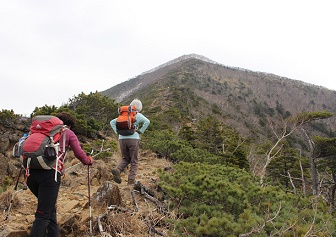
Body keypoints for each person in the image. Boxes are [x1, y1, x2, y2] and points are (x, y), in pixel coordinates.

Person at [26, 112, 93, 237]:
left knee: (49, 207)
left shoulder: (38, 132)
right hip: (49, 176)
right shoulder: (68, 132)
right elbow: (79, 153)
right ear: (69, 125)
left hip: (30, 174)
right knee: (43, 215)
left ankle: (54, 234)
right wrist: (88, 161)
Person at [110, 99, 150, 185]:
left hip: (122, 140)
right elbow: (147, 121)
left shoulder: (124, 115)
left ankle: (118, 169)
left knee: (126, 158)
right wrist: (140, 131)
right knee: (134, 161)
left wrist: (117, 132)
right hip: (133, 139)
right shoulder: (137, 115)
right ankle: (131, 181)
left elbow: (112, 122)